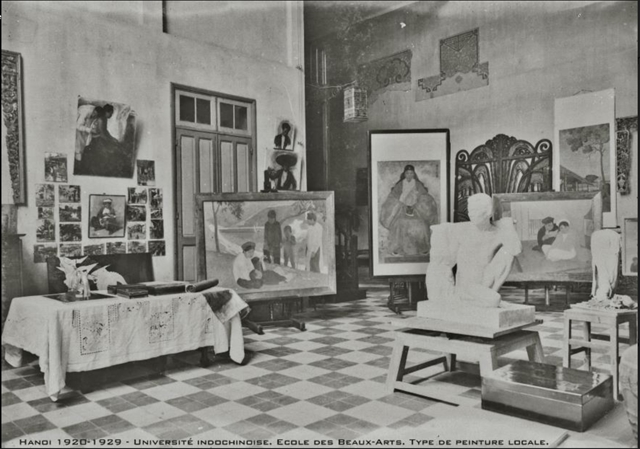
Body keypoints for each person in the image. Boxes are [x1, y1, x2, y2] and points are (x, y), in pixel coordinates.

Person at [425, 193, 522, 308]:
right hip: (465, 287)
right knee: (494, 300)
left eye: (475, 211)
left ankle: (480, 299)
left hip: (485, 284)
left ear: (488, 212)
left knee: (507, 255)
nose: (470, 214)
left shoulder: (497, 233)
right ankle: (468, 301)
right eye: (470, 210)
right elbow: (439, 239)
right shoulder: (462, 229)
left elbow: (516, 250)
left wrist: (507, 225)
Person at [379, 164, 439, 257]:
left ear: (414, 174)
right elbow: (393, 197)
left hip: (416, 210)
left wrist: (416, 205)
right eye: (407, 173)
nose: (409, 175)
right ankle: (397, 248)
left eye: (411, 173)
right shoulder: (400, 185)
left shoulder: (418, 184)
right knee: (398, 224)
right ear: (404, 174)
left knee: (421, 224)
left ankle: (422, 248)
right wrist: (401, 203)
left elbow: (424, 196)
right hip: (401, 210)